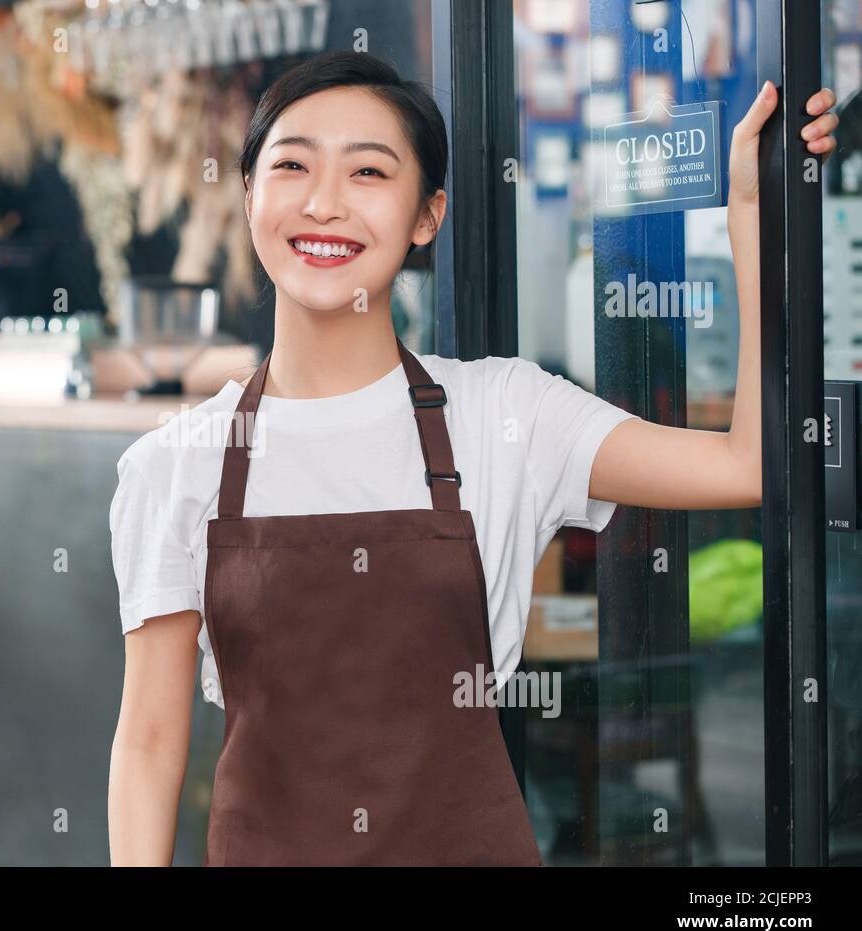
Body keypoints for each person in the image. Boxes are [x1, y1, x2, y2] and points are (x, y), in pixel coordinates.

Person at [107, 50, 838, 866]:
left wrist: (749, 215)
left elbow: (747, 466)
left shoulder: (506, 414)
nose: (324, 203)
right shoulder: (174, 465)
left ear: (428, 216)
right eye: (291, 165)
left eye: (369, 173)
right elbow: (149, 741)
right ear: (249, 197)